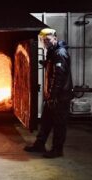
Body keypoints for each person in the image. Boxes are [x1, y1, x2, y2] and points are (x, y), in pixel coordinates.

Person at [24, 28, 73, 158]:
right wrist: (45, 63)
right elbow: (53, 69)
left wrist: (53, 96)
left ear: (55, 38)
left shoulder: (60, 53)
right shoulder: (53, 52)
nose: (46, 42)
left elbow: (59, 77)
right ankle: (39, 145)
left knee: (59, 124)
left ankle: (57, 150)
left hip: (59, 97)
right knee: (46, 121)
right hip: (52, 96)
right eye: (43, 40)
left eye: (48, 39)